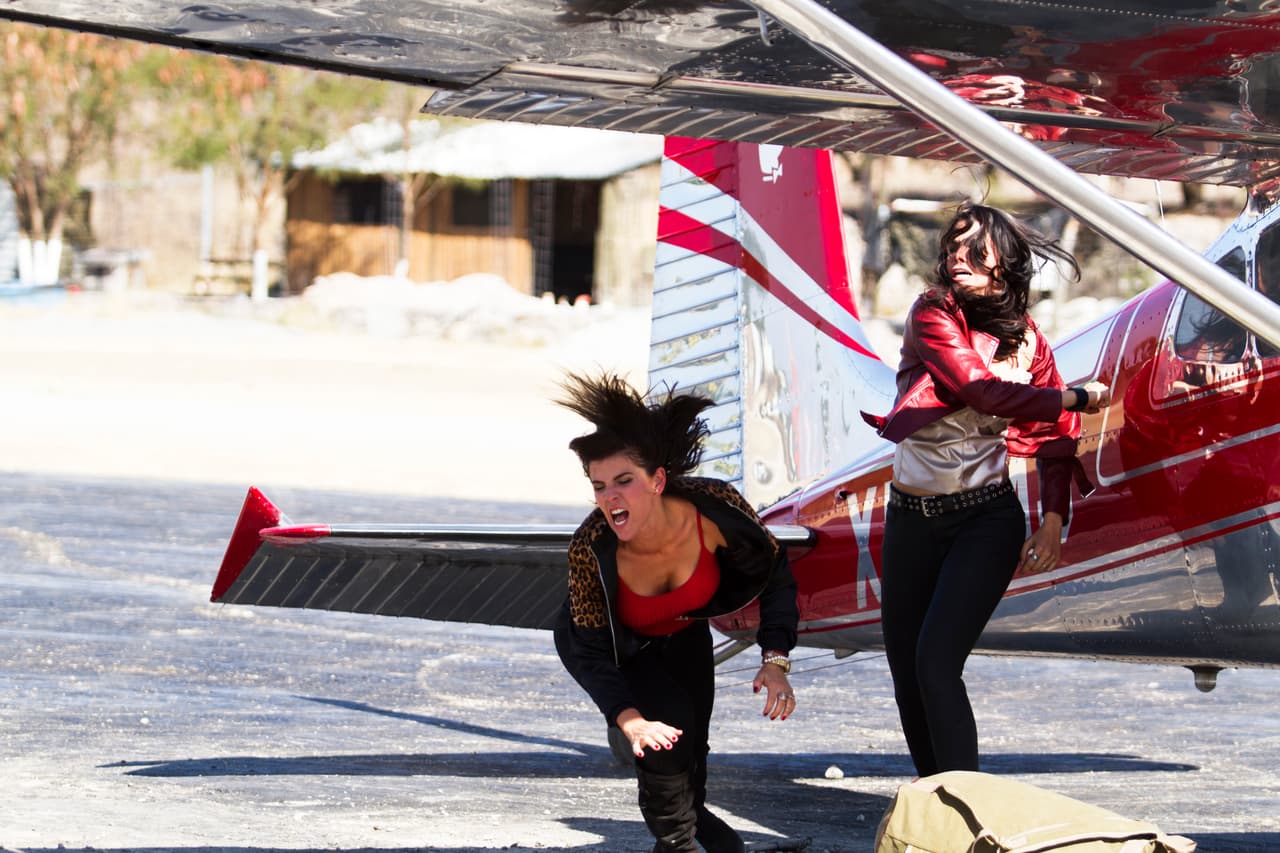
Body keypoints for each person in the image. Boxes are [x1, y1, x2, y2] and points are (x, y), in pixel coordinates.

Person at [862, 202, 1110, 777]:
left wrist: (1052, 520)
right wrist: (1075, 395)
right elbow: (981, 391)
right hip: (910, 519)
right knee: (907, 672)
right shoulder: (933, 313)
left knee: (935, 663)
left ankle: (965, 802)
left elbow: (1054, 436)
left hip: (985, 520)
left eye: (973, 248)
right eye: (951, 246)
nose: (957, 256)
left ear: (1004, 260)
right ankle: (937, 799)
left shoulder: (1031, 343)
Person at [553, 372, 800, 853]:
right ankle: (678, 844)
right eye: (599, 486)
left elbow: (774, 573)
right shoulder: (591, 548)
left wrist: (775, 659)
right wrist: (627, 719)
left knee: (692, 753)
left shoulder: (716, 510)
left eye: (624, 481)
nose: (610, 498)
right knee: (666, 746)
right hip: (624, 648)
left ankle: (706, 840)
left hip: (685, 636)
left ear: (658, 480)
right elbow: (588, 650)